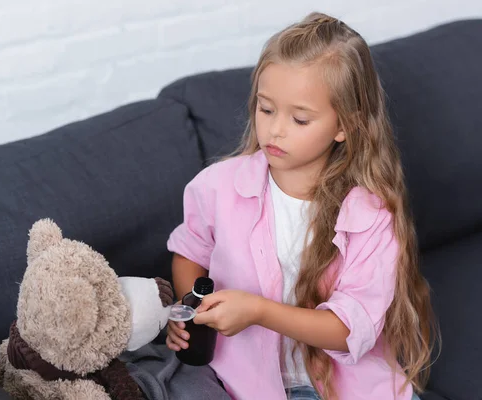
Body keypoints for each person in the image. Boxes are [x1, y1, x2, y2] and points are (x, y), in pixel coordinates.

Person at [165, 11, 437, 400]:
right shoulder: (217, 187)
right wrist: (191, 309)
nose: (275, 130)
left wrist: (258, 311)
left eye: (300, 119)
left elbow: (347, 328)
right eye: (266, 109)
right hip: (246, 382)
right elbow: (189, 252)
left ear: (345, 126)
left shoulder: (371, 216)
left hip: (347, 389)